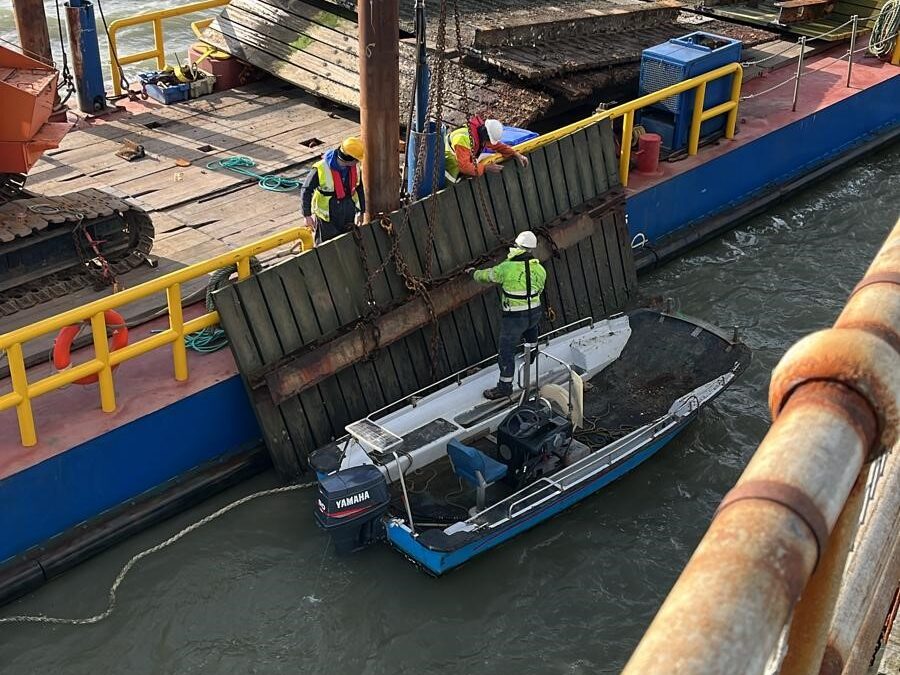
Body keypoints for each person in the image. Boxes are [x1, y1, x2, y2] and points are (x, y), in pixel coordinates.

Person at [470, 230, 547, 400]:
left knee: (506, 350)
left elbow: (486, 276)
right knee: (531, 336)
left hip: (514, 317)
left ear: (517, 246)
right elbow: (540, 289)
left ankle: (504, 387)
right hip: (534, 312)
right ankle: (532, 356)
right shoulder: (540, 269)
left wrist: (472, 273)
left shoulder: (506, 268)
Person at [300, 137, 366, 244]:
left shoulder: (356, 168)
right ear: (349, 159)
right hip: (327, 218)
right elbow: (306, 190)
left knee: (347, 244)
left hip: (347, 213)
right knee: (325, 249)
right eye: (356, 159)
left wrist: (361, 211)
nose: (358, 162)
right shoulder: (321, 168)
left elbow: (359, 188)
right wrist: (307, 215)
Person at [445, 117, 529, 181]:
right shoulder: (462, 139)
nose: (490, 145)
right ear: (486, 137)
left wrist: (516, 154)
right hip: (447, 168)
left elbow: (498, 146)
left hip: (457, 162)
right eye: (490, 142)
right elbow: (465, 167)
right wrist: (485, 168)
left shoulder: (479, 133)